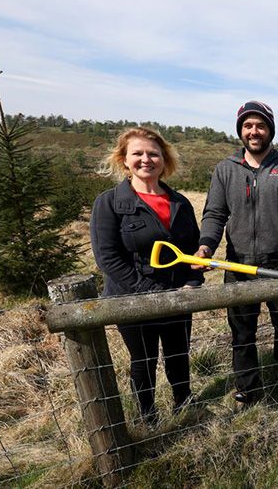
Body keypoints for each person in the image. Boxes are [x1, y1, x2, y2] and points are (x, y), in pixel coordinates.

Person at [196, 100, 278, 405]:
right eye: (248, 126)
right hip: (238, 265)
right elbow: (215, 213)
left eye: (260, 125)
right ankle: (248, 387)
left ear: (270, 129)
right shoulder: (225, 170)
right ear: (240, 131)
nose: (254, 131)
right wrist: (207, 245)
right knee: (241, 330)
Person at [90, 127, 203, 426]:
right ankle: (147, 416)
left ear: (164, 160)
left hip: (178, 296)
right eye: (137, 153)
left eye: (153, 154)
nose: (146, 160)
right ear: (124, 160)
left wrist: (193, 281)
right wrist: (147, 291)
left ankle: (184, 407)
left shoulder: (179, 202)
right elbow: (108, 258)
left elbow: (192, 249)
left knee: (179, 354)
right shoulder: (110, 203)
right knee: (143, 359)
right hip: (131, 300)